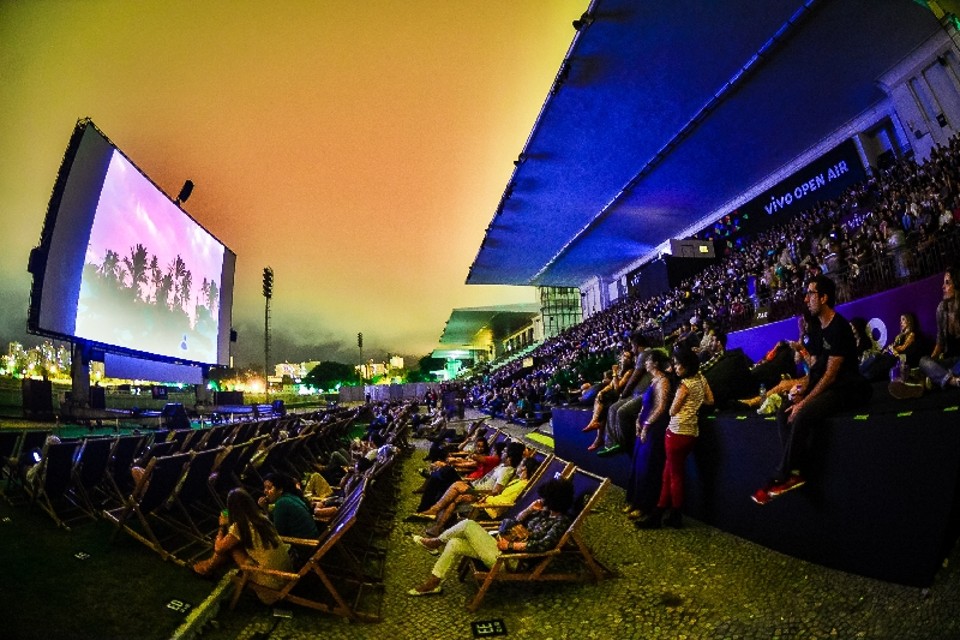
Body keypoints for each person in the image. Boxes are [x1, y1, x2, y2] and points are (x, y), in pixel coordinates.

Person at [751, 275, 873, 506]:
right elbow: (816, 370)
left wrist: (803, 403)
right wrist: (800, 391)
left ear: (824, 297)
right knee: (784, 411)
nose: (806, 299)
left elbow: (830, 376)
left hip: (848, 389)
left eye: (811, 293)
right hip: (828, 385)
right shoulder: (817, 329)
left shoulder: (840, 327)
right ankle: (796, 471)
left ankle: (781, 475)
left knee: (802, 414)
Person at [406, 477, 575, 596]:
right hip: (503, 549)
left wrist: (510, 547)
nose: (541, 500)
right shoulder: (545, 513)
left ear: (554, 500)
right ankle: (434, 582)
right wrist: (530, 509)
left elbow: (544, 545)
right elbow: (516, 521)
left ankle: (435, 542)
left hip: (512, 561)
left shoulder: (560, 522)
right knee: (455, 543)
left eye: (545, 498)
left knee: (468, 524)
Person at [637, 346, 713, 529]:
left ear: (687, 365)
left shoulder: (684, 385)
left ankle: (674, 514)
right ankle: (660, 512)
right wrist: (694, 404)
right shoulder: (701, 378)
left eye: (678, 365)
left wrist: (682, 398)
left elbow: (672, 410)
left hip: (677, 432)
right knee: (668, 473)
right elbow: (710, 400)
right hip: (692, 432)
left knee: (674, 476)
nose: (676, 368)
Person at [192, 488, 294, 598]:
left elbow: (218, 548)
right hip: (286, 576)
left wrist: (222, 526)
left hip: (271, 584)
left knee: (231, 548)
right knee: (231, 544)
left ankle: (207, 568)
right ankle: (208, 567)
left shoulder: (241, 526)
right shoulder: (262, 517)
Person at [416, 442, 524, 533]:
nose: (502, 453)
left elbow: (496, 491)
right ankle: (437, 526)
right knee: (452, 492)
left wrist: (481, 495)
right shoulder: (502, 465)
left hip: (479, 493)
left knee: (452, 479)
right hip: (473, 485)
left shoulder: (506, 471)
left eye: (505, 451)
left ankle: (434, 509)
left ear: (510, 456)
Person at [622, 349, 673, 520]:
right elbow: (645, 405)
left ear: (656, 363)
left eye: (648, 360)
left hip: (654, 428)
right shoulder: (653, 381)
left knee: (648, 468)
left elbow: (660, 407)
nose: (645, 363)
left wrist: (646, 426)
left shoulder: (663, 381)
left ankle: (646, 506)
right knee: (638, 465)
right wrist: (638, 419)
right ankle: (635, 502)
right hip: (644, 425)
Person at [918, 267, 960, 390]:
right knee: (923, 362)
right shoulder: (941, 309)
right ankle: (952, 380)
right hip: (949, 360)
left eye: (947, 283)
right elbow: (940, 342)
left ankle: (939, 379)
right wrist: (931, 362)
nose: (943, 287)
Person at [259, 472, 319, 539]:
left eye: (269, 488)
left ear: (280, 490)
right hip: (313, 537)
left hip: (305, 545)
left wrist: (265, 510)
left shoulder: (282, 503)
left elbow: (277, 532)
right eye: (265, 488)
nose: (265, 491)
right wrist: (265, 508)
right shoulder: (290, 496)